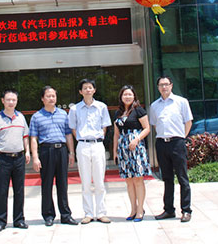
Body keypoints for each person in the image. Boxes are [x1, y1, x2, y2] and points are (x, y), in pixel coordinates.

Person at [29, 86, 79, 226]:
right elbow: (33, 138)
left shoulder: (63, 114)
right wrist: (35, 157)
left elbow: (68, 135)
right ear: (42, 98)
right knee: (47, 184)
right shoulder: (36, 116)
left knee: (63, 184)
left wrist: (71, 153)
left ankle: (65, 215)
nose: (51, 98)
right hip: (46, 151)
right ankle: (48, 215)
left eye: (53, 96)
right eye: (48, 96)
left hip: (61, 150)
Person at [149, 76, 193, 223]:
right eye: (161, 85)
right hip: (162, 143)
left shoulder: (181, 102)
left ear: (171, 85)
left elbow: (188, 122)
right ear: (158, 87)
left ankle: (186, 210)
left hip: (177, 143)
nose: (164, 87)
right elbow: (155, 124)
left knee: (182, 177)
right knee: (167, 178)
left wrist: (181, 138)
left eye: (166, 84)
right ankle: (168, 210)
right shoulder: (154, 106)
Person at [68, 78, 112, 224]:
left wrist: (97, 138)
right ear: (80, 91)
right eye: (85, 88)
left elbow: (105, 126)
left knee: (99, 181)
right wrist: (82, 139)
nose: (88, 90)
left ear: (94, 90)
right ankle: (88, 213)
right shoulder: (75, 109)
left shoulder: (102, 107)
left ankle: (101, 213)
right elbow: (73, 128)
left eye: (90, 87)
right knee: (85, 181)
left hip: (98, 145)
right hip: (83, 145)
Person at [0, 89, 30, 232]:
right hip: (3, 159)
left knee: (19, 190)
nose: (11, 102)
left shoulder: (21, 117)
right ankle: (0, 222)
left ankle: (19, 220)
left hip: (19, 158)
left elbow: (25, 136)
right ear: (3, 101)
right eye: (8, 100)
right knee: (2, 191)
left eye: (14, 100)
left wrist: (27, 151)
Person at [112, 85, 151, 222]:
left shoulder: (139, 110)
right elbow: (116, 134)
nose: (127, 97)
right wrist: (115, 151)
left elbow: (147, 128)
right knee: (129, 181)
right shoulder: (118, 113)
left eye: (130, 94)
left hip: (136, 148)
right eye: (125, 94)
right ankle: (133, 209)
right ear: (121, 97)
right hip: (123, 149)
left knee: (138, 180)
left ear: (134, 96)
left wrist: (136, 139)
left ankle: (140, 209)